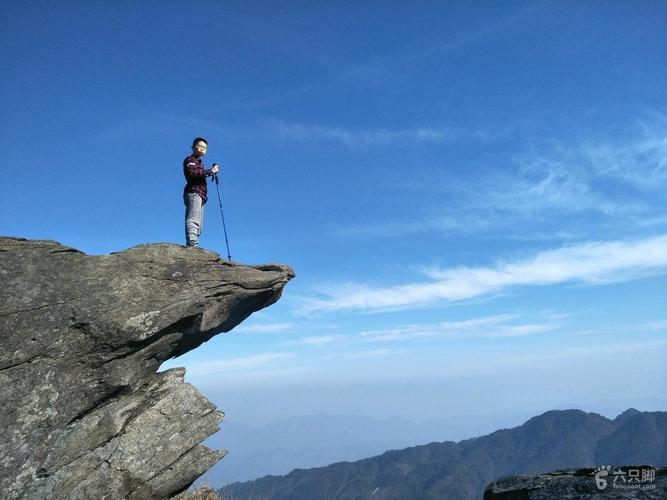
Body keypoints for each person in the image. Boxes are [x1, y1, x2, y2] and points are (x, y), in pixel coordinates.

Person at [183, 137, 219, 247]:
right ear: (193, 147)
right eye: (200, 146)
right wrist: (210, 172)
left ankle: (193, 242)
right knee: (193, 219)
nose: (202, 149)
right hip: (194, 192)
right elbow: (193, 174)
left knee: (199, 223)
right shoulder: (190, 160)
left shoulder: (200, 162)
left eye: (205, 148)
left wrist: (209, 172)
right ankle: (193, 243)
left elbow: (199, 173)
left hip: (201, 194)